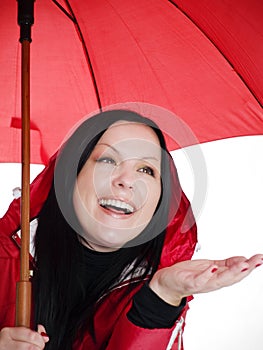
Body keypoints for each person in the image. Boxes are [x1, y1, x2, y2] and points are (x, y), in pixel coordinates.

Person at [0, 109, 262, 350]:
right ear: (71, 176)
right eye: (107, 160)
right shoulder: (6, 257)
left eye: (146, 169)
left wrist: (160, 300)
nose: (126, 180)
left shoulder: (156, 290)